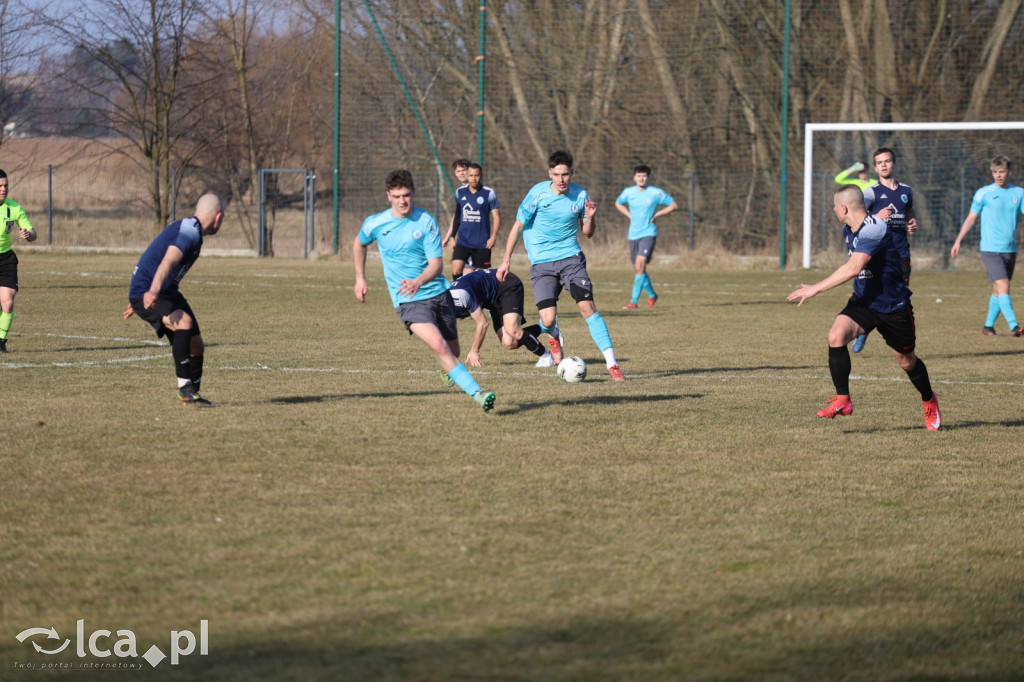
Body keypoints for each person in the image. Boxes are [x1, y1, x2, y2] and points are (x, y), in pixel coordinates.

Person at [787, 185, 941, 431]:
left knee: (906, 361)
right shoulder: (848, 229)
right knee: (836, 336)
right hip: (864, 302)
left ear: (844, 208)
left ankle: (928, 399)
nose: (834, 210)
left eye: (835, 206)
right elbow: (858, 266)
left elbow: (854, 267)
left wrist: (815, 288)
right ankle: (843, 400)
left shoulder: (874, 229)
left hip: (893, 306)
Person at [354, 169, 495, 412]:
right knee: (439, 346)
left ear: (414, 193)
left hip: (438, 294)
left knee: (453, 350)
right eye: (397, 196)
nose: (403, 201)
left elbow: (437, 264)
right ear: (388, 196)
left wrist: (419, 280)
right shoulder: (376, 223)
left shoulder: (425, 221)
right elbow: (359, 243)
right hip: (408, 300)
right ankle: (479, 393)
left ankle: (449, 368)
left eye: (406, 195)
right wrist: (360, 278)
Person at [496, 149, 624, 381]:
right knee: (547, 320)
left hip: (571, 260)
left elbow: (588, 234)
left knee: (587, 308)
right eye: (557, 174)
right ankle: (553, 334)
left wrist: (591, 217)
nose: (562, 179)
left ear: (571, 172)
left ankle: (612, 364)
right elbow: (517, 227)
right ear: (550, 174)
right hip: (542, 264)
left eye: (565, 174)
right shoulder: (537, 193)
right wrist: (506, 260)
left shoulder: (580, 195)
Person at [123, 193, 224, 405]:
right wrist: (148, 293)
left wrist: (149, 292)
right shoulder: (189, 234)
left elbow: (153, 257)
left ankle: (193, 394)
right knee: (184, 323)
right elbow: (167, 261)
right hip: (152, 291)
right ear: (218, 217)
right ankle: (185, 388)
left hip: (162, 291)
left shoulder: (191, 228)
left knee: (197, 345)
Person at [852, 147, 918, 353]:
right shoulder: (871, 192)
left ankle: (901, 340)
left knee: (900, 297)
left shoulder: (906, 191)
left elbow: (909, 212)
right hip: (878, 255)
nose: (883, 165)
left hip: (901, 254)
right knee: (873, 294)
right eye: (879, 162)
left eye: (887, 161)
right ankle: (863, 331)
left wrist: (911, 222)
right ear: (875, 167)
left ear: (894, 164)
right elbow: (856, 217)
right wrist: (875, 217)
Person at [950, 155, 1024, 337]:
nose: (998, 175)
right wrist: (958, 240)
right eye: (995, 172)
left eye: (1002, 172)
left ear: (1010, 172)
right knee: (1004, 286)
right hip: (990, 249)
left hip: (1010, 249)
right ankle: (1015, 327)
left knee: (998, 290)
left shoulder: (1019, 193)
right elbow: (971, 218)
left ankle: (988, 327)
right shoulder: (983, 193)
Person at [449, 268, 553, 367]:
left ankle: (546, 357)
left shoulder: (461, 296)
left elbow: (483, 324)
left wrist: (474, 351)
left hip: (506, 284)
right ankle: (545, 328)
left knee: (512, 330)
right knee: (509, 343)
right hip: (492, 299)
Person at [615, 164, 678, 309]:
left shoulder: (656, 193)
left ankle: (633, 301)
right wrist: (628, 215)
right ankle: (652, 295)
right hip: (633, 235)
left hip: (648, 233)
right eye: (639, 176)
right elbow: (618, 203)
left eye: (644, 176)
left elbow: (674, 205)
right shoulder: (628, 192)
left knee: (640, 265)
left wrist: (658, 214)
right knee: (639, 269)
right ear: (634, 177)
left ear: (648, 177)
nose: (641, 178)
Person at [442, 162, 500, 280]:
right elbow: (458, 215)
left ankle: (481, 298)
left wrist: (493, 237)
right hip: (463, 241)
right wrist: (452, 236)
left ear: (481, 175)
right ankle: (458, 295)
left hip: (482, 243)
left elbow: (497, 217)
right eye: (471, 175)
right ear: (467, 176)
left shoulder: (489, 193)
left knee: (481, 277)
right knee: (456, 270)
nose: (474, 178)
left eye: (476, 175)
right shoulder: (460, 192)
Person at [0, 169, 38, 353]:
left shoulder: (13, 208)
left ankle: (0, 342)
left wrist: (28, 234)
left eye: (5, 185)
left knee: (7, 302)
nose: (3, 189)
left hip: (5, 258)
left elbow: (33, 233)